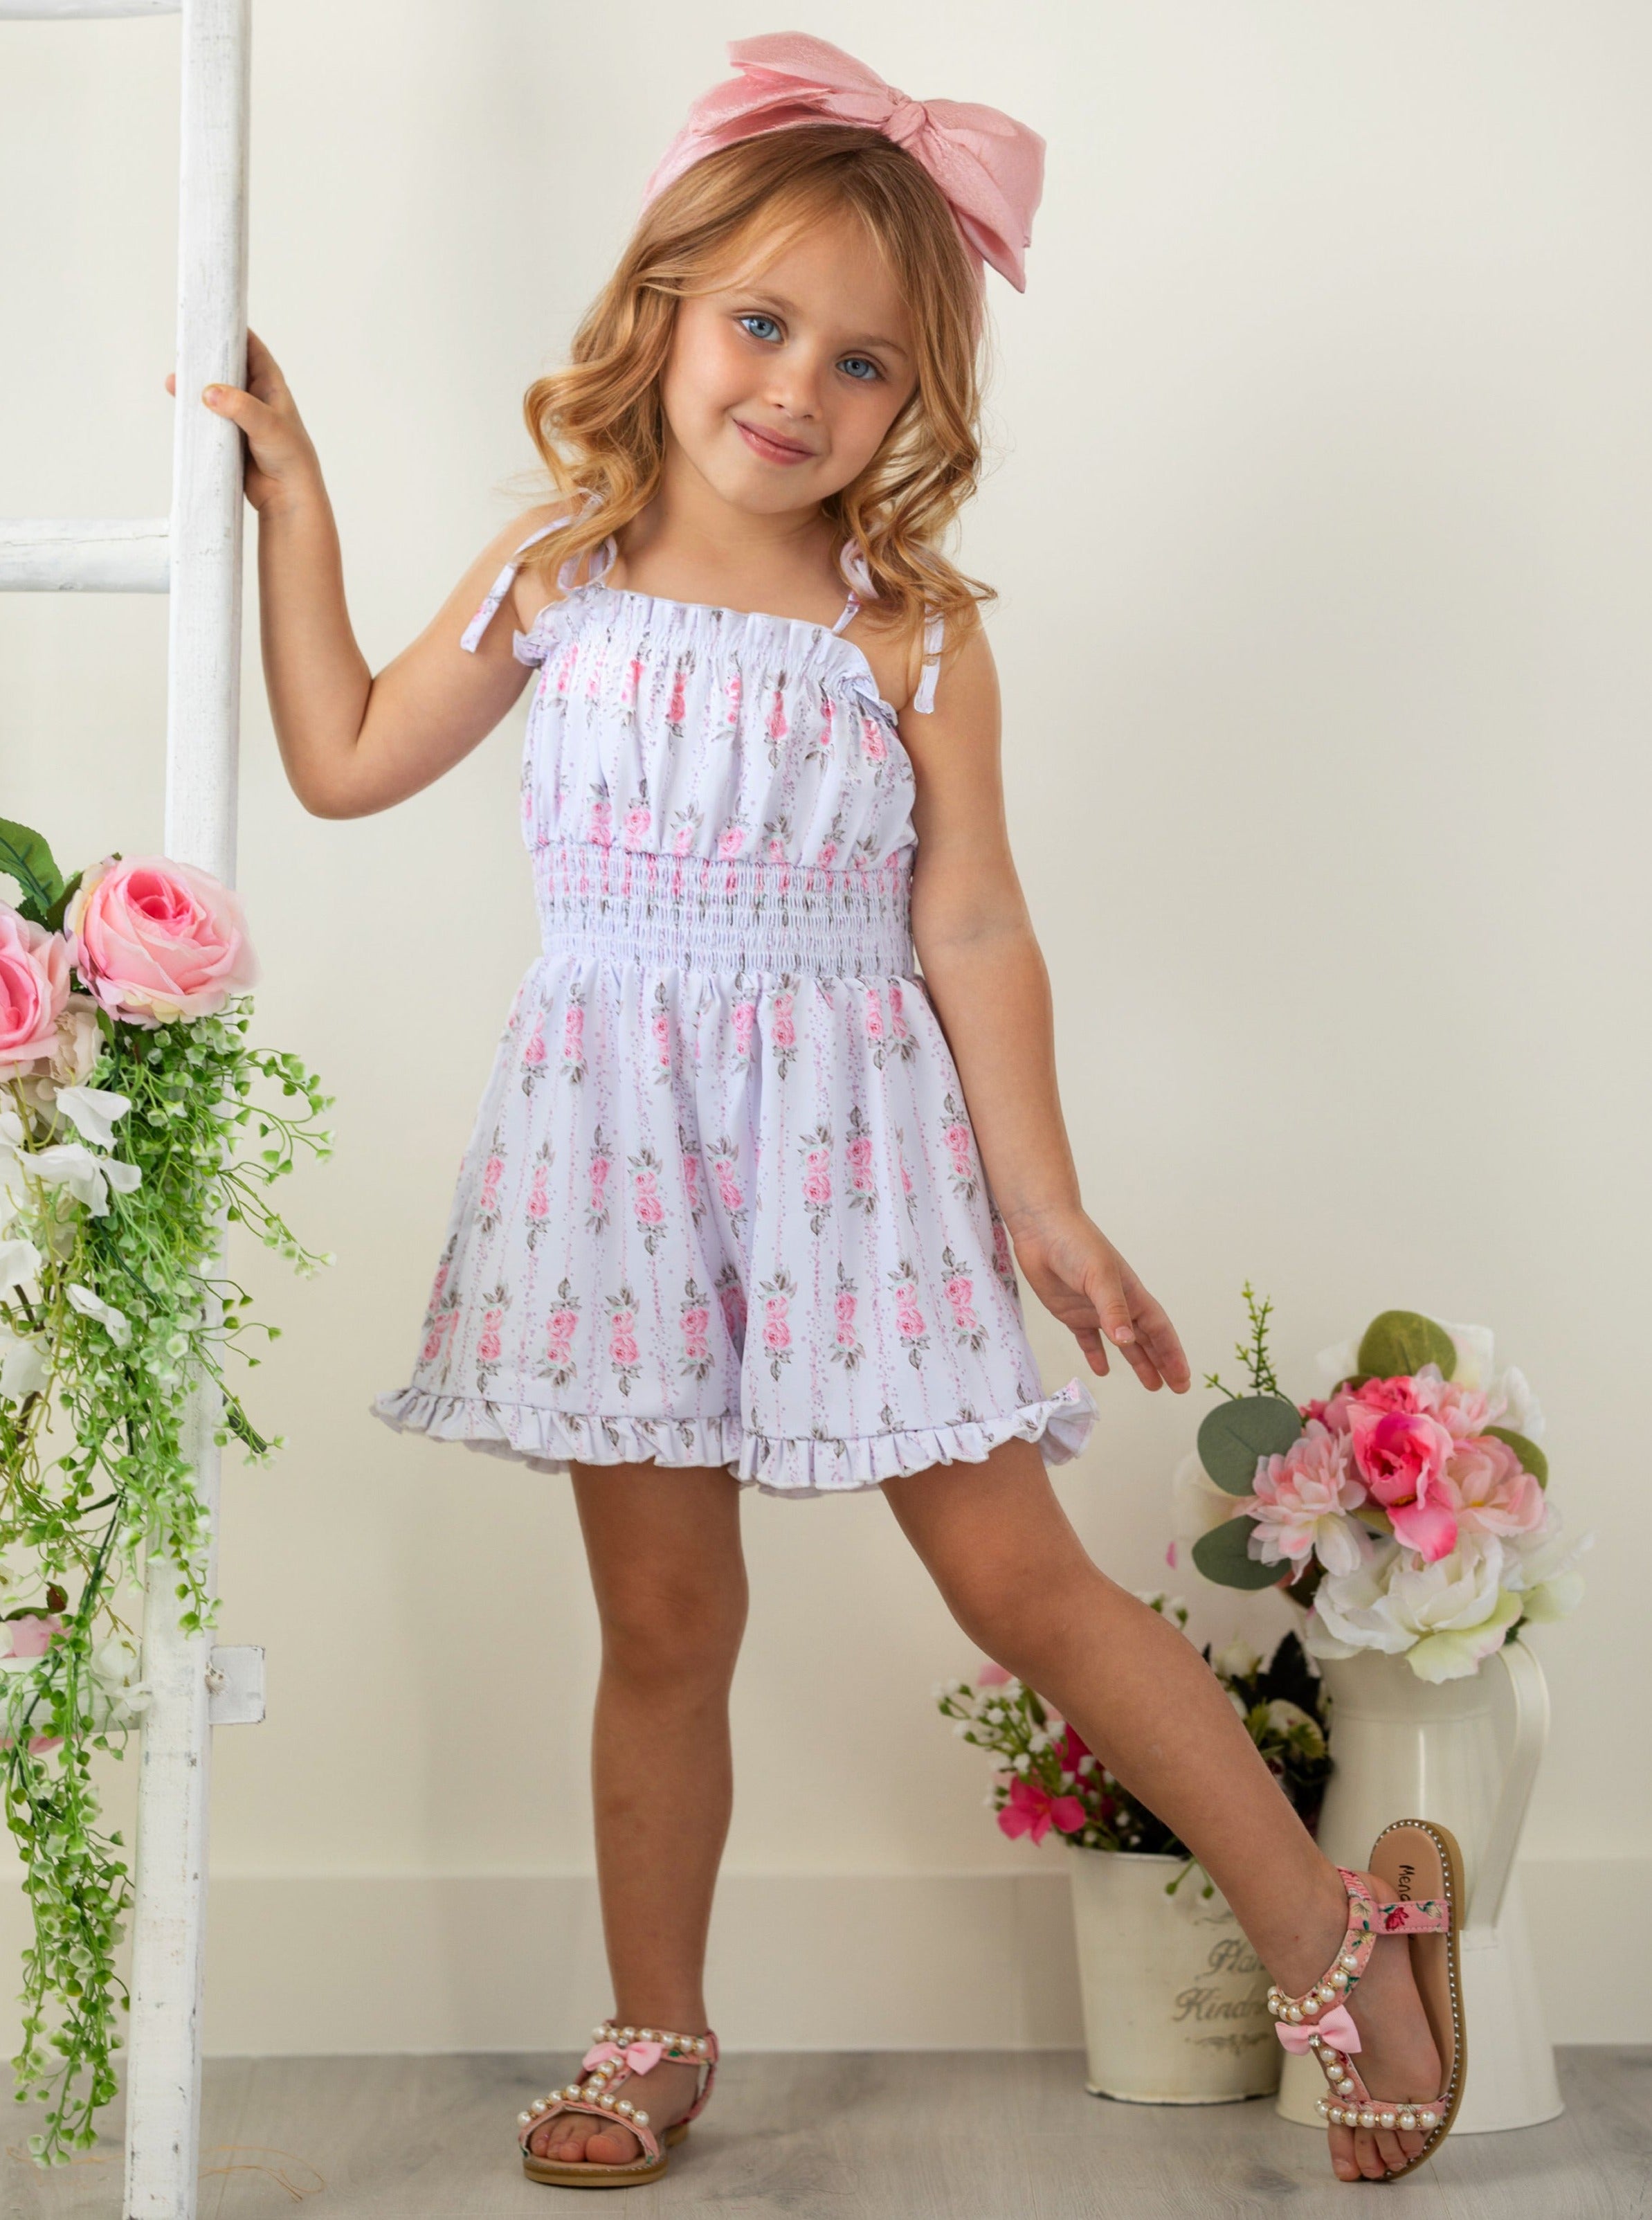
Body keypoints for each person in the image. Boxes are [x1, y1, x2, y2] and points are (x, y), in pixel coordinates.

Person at [173, 31, 1464, 2192]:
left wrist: (1044, 1206)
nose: (796, 389)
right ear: (663, 308)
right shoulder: (557, 569)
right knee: (665, 1625)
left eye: (862, 363)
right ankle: (654, 2029)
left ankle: (1332, 1938)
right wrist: (295, 503)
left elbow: (972, 922)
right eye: (760, 326)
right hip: (615, 1155)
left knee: (1020, 1586)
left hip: (855, 1164)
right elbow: (344, 757)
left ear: (914, 402)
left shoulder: (910, 634)